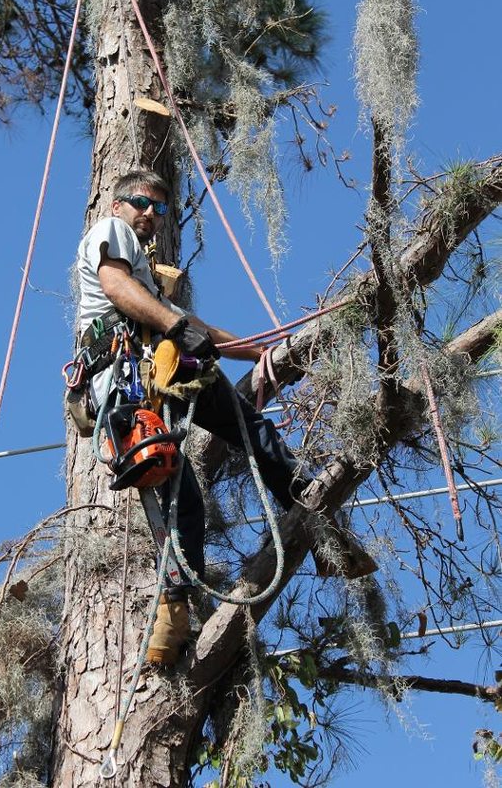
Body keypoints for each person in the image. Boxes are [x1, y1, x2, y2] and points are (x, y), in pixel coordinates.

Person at [75, 168, 376, 665]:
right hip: (130, 381)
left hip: (170, 363)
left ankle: (326, 535)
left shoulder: (146, 276)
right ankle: (172, 617)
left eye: (159, 208)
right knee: (180, 496)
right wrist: (172, 322)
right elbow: (113, 284)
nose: (149, 213)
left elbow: (190, 324)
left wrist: (255, 350)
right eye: (139, 202)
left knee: (255, 432)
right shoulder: (111, 235)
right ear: (116, 205)